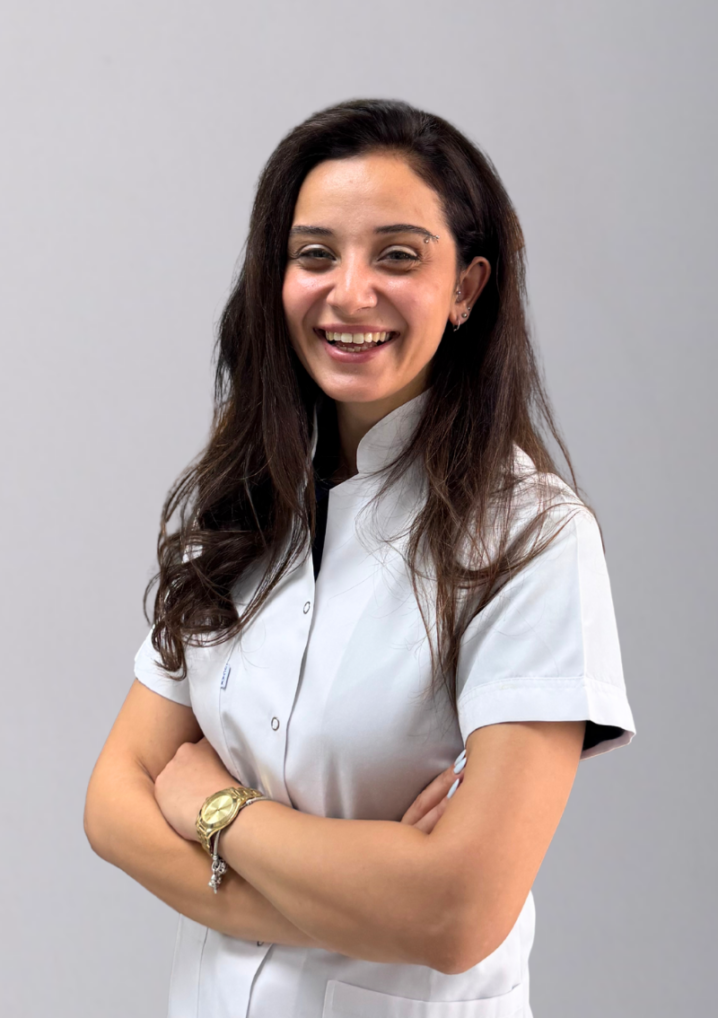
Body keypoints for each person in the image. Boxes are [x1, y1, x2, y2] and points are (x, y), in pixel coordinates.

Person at [84, 98, 636, 1017]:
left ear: (466, 289)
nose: (349, 293)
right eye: (314, 255)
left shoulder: (532, 539)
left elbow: (459, 913)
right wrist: (375, 896)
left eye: (398, 256)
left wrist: (216, 808)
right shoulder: (245, 507)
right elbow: (113, 806)